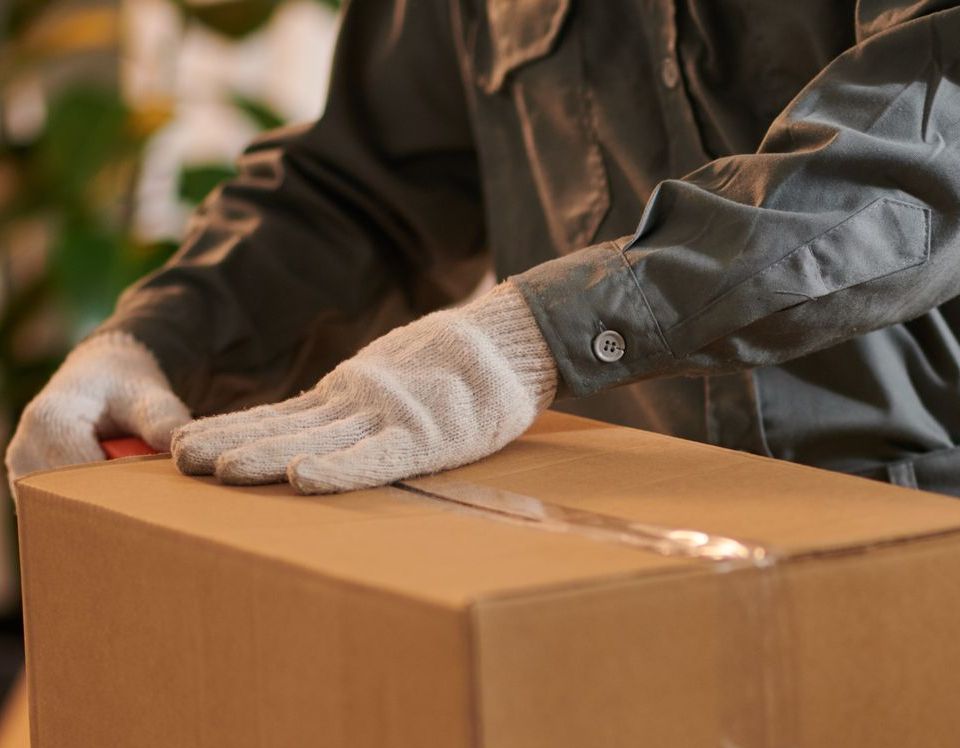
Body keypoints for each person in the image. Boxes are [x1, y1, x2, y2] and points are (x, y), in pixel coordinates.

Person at [8, 0, 960, 497]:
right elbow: (370, 184)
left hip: (912, 535)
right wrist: (159, 342)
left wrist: (535, 337)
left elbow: (922, 151)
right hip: (616, 552)